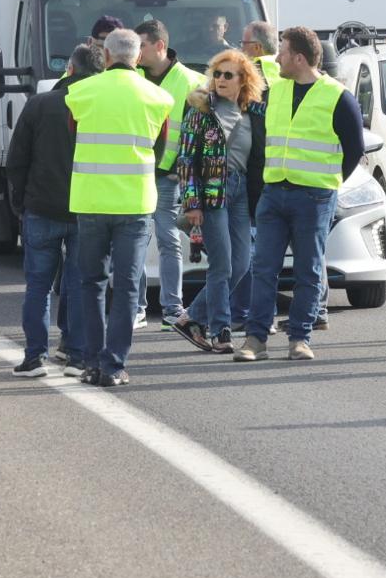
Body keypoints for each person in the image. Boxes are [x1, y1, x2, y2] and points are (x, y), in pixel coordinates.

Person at [234, 27, 363, 362]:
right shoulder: (275, 92)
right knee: (263, 268)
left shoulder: (337, 96)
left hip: (314, 197)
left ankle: (300, 338)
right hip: (274, 193)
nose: (276, 59)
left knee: (307, 271)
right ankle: (255, 339)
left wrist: (328, 182)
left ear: (300, 58)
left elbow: (354, 149)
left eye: (283, 52)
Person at [66, 29, 173, 386]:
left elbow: (72, 137)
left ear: (106, 56)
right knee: (127, 286)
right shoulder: (158, 97)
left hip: (91, 200)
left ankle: (92, 361)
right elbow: (158, 151)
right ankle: (115, 364)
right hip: (135, 201)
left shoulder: (80, 93)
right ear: (138, 57)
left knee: (91, 283)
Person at [6, 42, 103, 377]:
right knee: (79, 285)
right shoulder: (101, 107)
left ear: (70, 70)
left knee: (38, 286)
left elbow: (16, 160)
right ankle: (76, 357)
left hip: (41, 207)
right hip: (86, 209)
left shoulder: (40, 105)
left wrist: (20, 201)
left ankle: (35, 357)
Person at [173, 49, 265, 355]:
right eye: (218, 74)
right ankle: (221, 330)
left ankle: (191, 319)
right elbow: (185, 159)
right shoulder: (201, 108)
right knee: (222, 263)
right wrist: (192, 202)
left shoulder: (254, 112)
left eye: (229, 75)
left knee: (241, 263)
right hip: (213, 191)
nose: (221, 80)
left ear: (244, 80)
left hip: (241, 192)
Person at [134, 19, 206, 329]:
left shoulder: (191, 81)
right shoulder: (131, 77)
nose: (137, 52)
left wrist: (185, 170)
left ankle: (172, 308)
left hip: (167, 175)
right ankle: (136, 307)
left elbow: (199, 133)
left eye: (142, 46)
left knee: (167, 238)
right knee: (135, 239)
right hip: (135, 171)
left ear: (159, 46)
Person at [241, 20, 281, 85]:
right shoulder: (284, 67)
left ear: (257, 47)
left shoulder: (249, 72)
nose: (241, 49)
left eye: (243, 43)